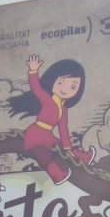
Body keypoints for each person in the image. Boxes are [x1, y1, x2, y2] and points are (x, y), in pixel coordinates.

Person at [8, 54, 95, 185]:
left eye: (73, 86)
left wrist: (67, 148)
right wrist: (33, 71)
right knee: (43, 153)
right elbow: (36, 88)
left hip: (48, 135)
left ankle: (82, 157)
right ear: (52, 81)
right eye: (61, 82)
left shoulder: (63, 108)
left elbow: (63, 129)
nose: (65, 89)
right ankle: (56, 174)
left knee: (61, 146)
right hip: (36, 133)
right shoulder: (47, 99)